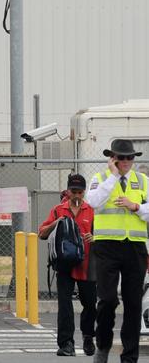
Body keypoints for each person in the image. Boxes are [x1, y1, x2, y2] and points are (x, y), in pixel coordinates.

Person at [85, 139, 149, 363]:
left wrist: (137, 207)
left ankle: (129, 356)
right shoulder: (100, 178)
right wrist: (113, 177)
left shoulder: (142, 181)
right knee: (108, 299)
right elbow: (93, 202)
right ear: (112, 158)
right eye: (121, 158)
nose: (126, 162)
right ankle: (103, 345)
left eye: (130, 157)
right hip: (107, 246)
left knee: (133, 302)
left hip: (135, 247)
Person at [39, 174, 96, 357]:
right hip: (65, 265)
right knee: (65, 304)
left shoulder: (92, 210)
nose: (77, 196)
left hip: (87, 264)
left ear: (84, 192)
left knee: (90, 303)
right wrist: (56, 223)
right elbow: (41, 233)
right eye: (74, 192)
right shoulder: (58, 210)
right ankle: (66, 343)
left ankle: (88, 336)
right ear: (68, 191)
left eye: (80, 192)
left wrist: (94, 237)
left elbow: (104, 235)